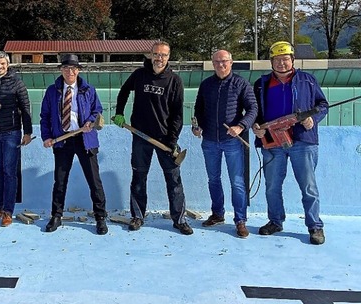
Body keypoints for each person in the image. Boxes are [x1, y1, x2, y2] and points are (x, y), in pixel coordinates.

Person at [112, 41, 193, 235]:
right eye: (156, 54)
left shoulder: (174, 81)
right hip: (140, 136)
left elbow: (177, 115)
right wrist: (119, 112)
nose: (159, 58)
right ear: (150, 55)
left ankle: (179, 219)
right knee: (139, 177)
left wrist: (172, 141)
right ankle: (138, 216)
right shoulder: (139, 75)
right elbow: (124, 91)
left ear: (168, 57)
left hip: (165, 139)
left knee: (173, 180)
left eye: (163, 55)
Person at [252, 41, 329, 245]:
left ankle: (315, 226)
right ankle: (275, 221)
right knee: (272, 186)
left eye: (285, 59)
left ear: (292, 60)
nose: (282, 63)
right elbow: (255, 112)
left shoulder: (308, 81)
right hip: (273, 143)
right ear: (271, 62)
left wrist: (313, 119)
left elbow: (323, 105)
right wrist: (256, 126)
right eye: (277, 59)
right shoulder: (261, 83)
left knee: (308, 187)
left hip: (303, 142)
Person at [40, 54, 108, 235]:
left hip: (85, 139)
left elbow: (98, 110)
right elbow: (44, 116)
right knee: (60, 181)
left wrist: (91, 121)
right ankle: (56, 216)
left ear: (78, 70)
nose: (70, 71)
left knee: (94, 181)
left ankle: (100, 217)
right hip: (62, 139)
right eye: (66, 68)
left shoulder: (88, 90)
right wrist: (46, 136)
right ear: (61, 70)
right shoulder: (52, 91)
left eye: (73, 68)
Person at [193, 50, 258, 238]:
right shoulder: (206, 85)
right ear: (212, 64)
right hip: (210, 141)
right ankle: (217, 214)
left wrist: (241, 126)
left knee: (237, 182)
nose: (220, 65)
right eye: (217, 62)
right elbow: (199, 110)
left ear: (231, 62)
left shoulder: (241, 83)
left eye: (224, 61)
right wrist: (198, 127)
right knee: (213, 179)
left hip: (232, 141)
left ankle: (240, 220)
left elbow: (253, 108)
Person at [0, 51, 33, 227]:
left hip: (12, 133)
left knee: (10, 172)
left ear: (7, 65)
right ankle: (1, 206)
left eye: (2, 64)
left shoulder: (17, 84)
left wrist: (27, 132)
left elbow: (25, 108)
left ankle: (8, 212)